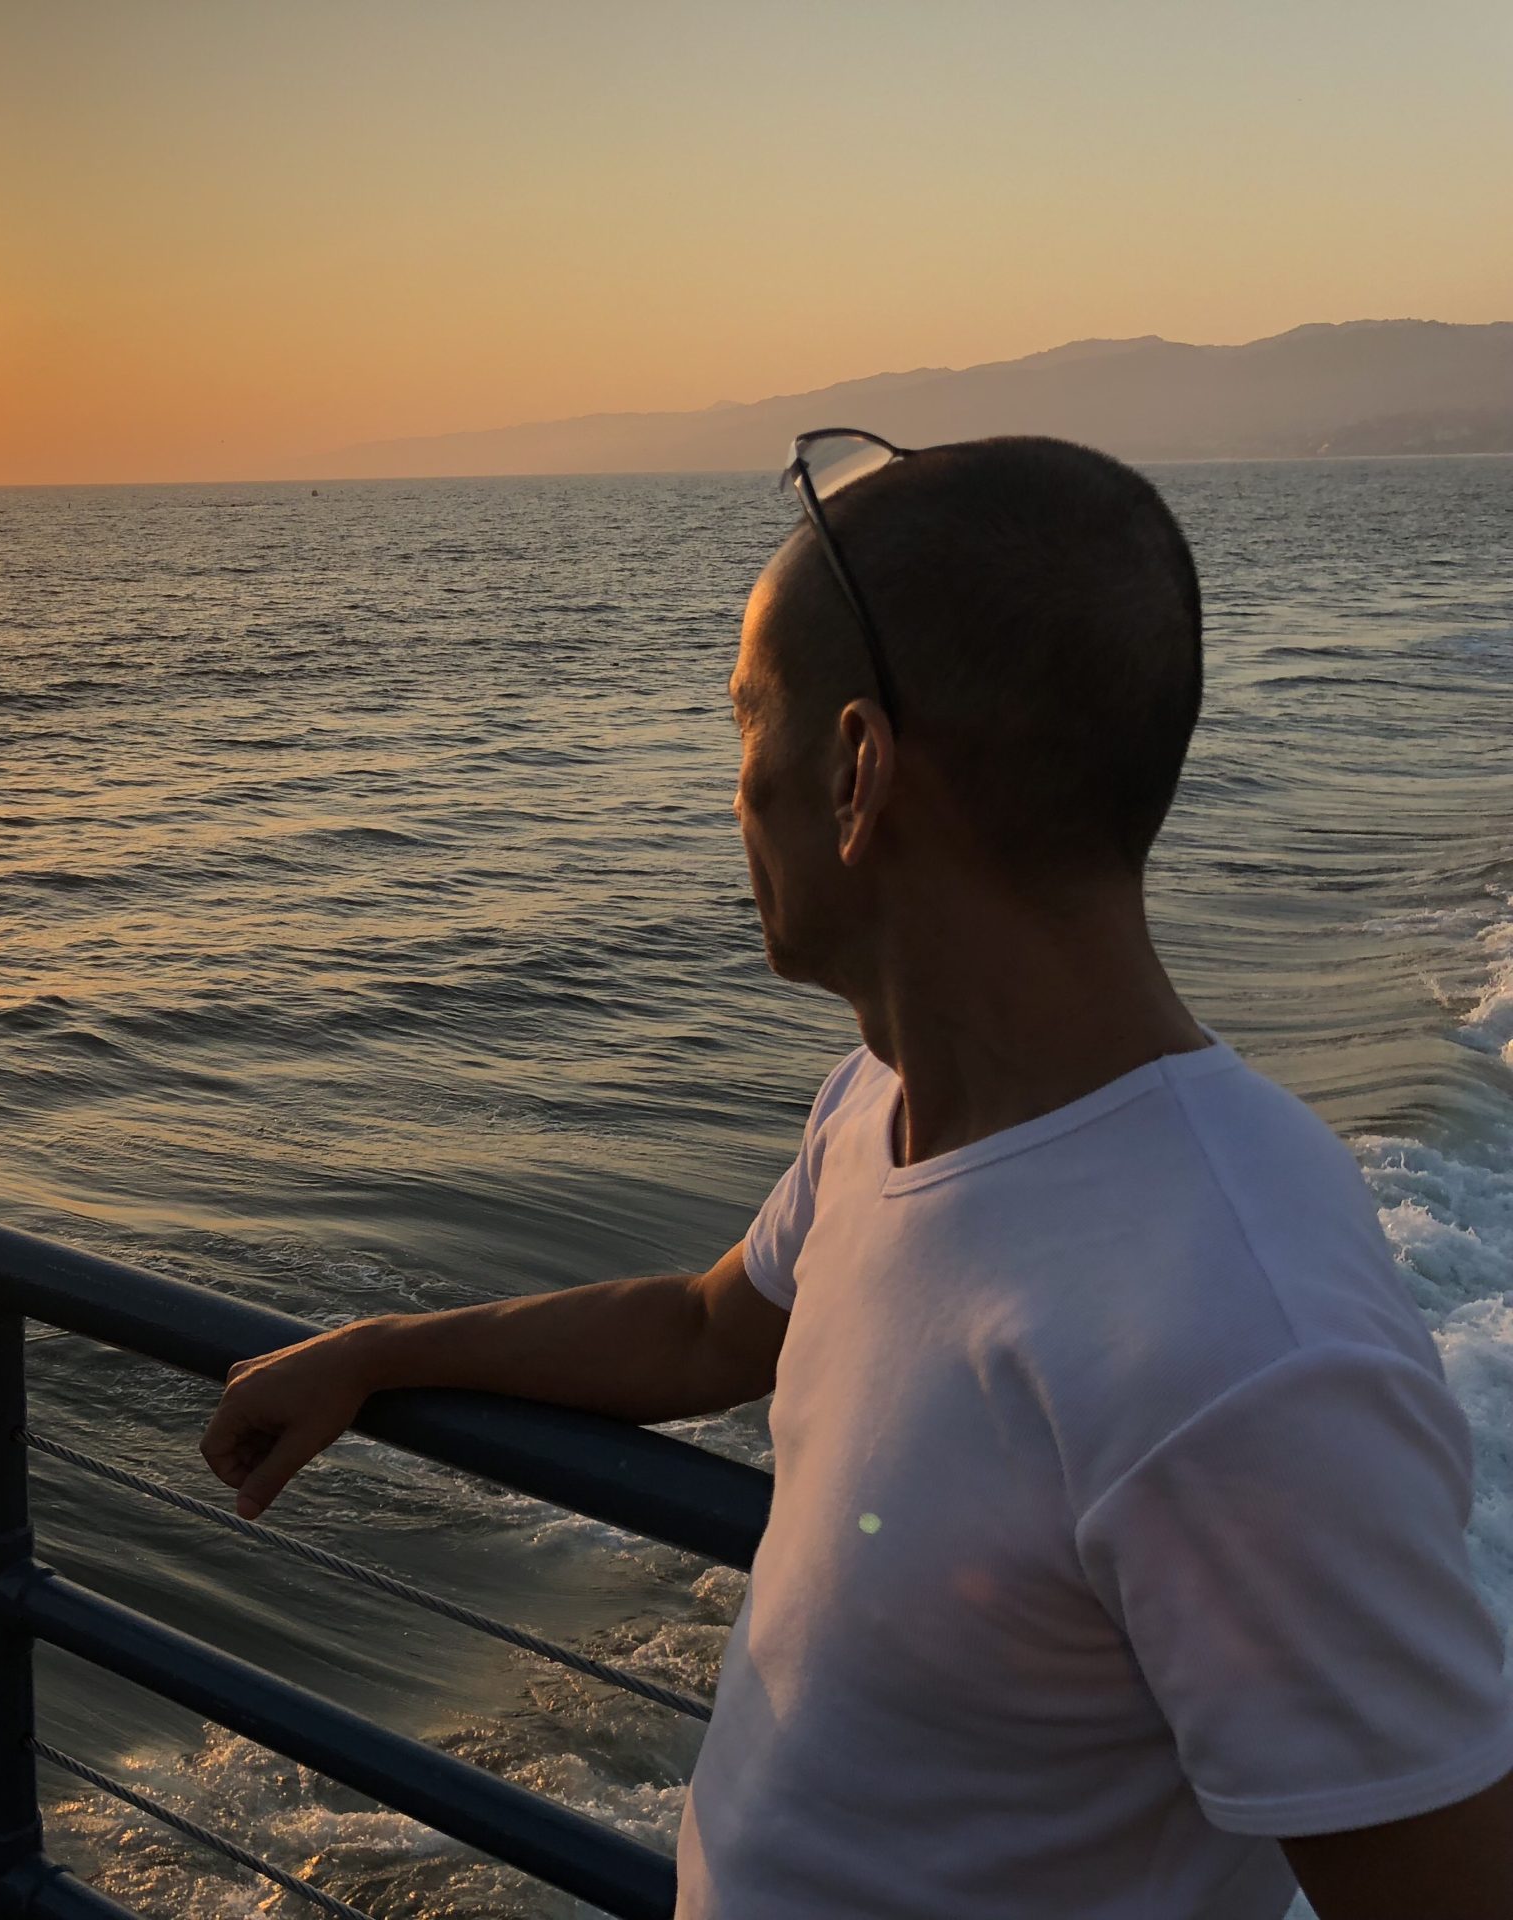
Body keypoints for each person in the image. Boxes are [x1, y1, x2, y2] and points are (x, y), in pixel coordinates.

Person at [199, 435, 1513, 1920]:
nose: (732, 790)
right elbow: (703, 1329)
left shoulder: (1242, 1344)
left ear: (854, 769)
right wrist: (381, 1354)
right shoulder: (882, 1106)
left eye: (742, 722)